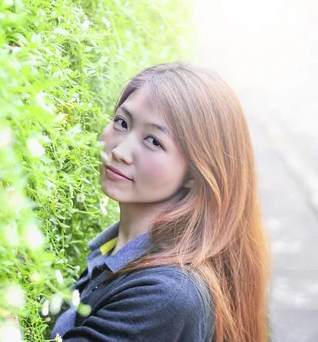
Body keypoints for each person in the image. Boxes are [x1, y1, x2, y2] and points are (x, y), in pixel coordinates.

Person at [50, 62, 271, 342]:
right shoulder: (120, 252)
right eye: (122, 122)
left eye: (153, 141)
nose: (121, 151)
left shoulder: (165, 295)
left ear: (194, 173)